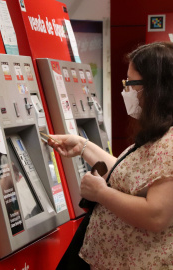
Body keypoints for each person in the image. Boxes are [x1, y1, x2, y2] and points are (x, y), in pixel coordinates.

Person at [48, 42, 173, 269]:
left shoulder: (170, 141)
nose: (126, 90)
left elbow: (156, 215)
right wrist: (83, 146)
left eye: (131, 83)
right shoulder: (160, 134)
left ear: (155, 88)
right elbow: (127, 177)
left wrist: (101, 193)